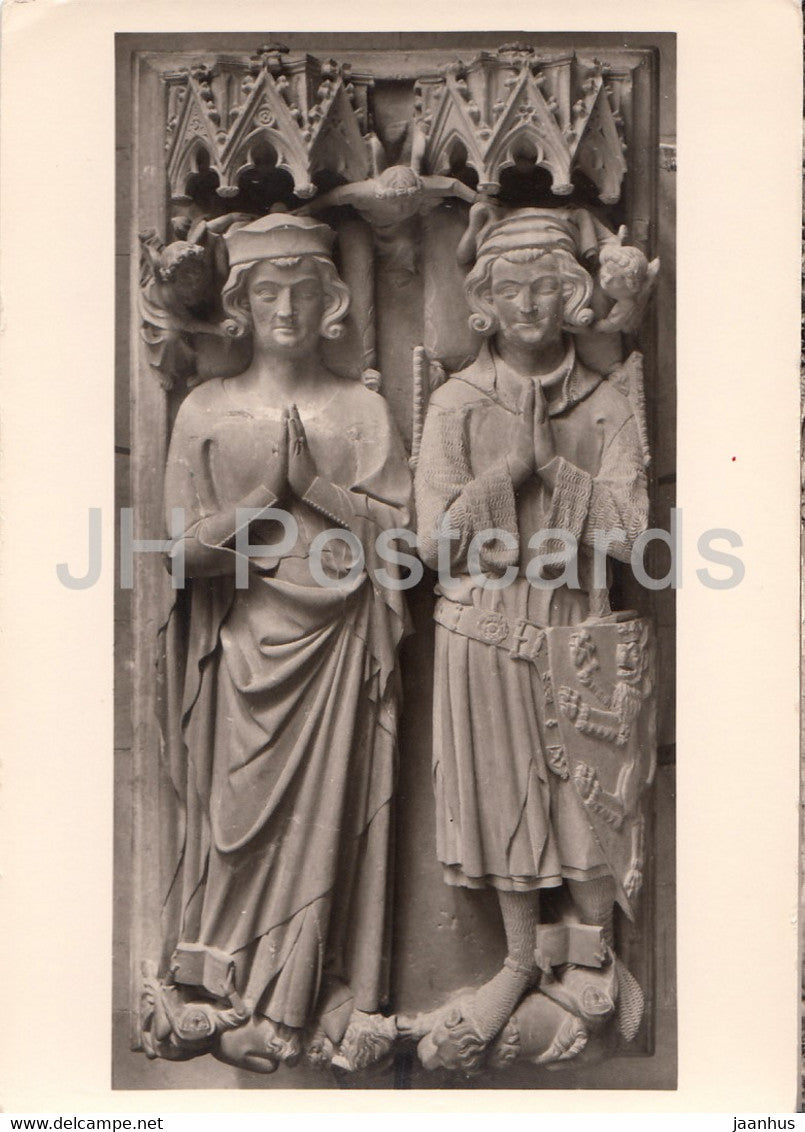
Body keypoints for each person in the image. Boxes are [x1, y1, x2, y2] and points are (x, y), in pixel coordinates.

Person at [151, 213, 412, 1073]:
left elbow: (404, 542)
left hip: (337, 644)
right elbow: (178, 552)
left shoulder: (362, 410)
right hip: (242, 643)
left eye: (303, 290)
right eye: (268, 292)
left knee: (322, 830)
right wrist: (266, 496)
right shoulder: (205, 409)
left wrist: (316, 489)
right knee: (234, 819)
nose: (287, 309)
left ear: (331, 299)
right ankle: (217, 983)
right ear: (242, 303)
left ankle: (294, 1001)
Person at [412, 207, 651, 1070]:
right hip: (481, 631)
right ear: (482, 299)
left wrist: (555, 468)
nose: (526, 304)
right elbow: (429, 544)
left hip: (574, 629)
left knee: (582, 795)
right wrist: (508, 471)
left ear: (572, 294)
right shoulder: (455, 403)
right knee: (503, 801)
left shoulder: (605, 401)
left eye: (545, 285)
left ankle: (590, 955)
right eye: (508, 287)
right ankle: (518, 959)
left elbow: (632, 535)